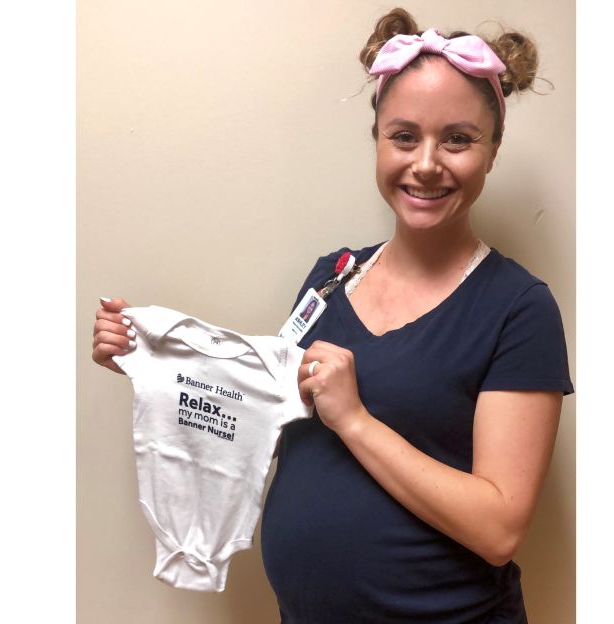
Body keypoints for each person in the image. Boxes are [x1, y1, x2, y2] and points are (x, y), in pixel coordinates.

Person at [91, 8, 572, 623]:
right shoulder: (333, 275)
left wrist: (355, 420)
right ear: (376, 140)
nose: (426, 163)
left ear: (492, 151)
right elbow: (263, 420)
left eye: (458, 138)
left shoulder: (519, 308)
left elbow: (499, 528)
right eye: (404, 136)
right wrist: (156, 366)